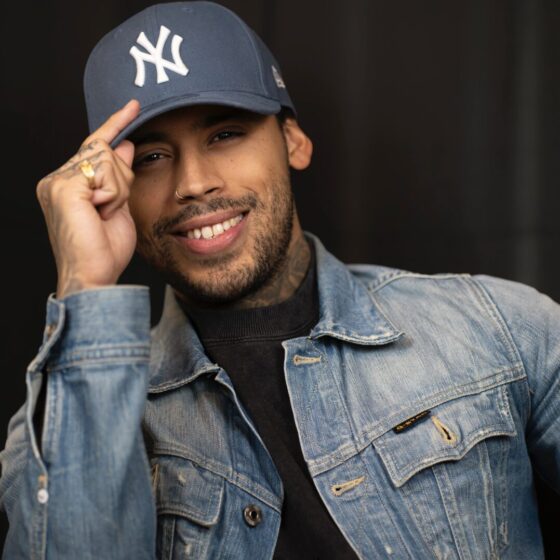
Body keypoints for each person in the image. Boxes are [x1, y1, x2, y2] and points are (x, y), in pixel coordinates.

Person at [0, 1, 558, 558]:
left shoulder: (499, 328)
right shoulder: (56, 424)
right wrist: (85, 287)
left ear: (293, 140)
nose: (193, 183)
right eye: (149, 157)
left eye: (225, 134)